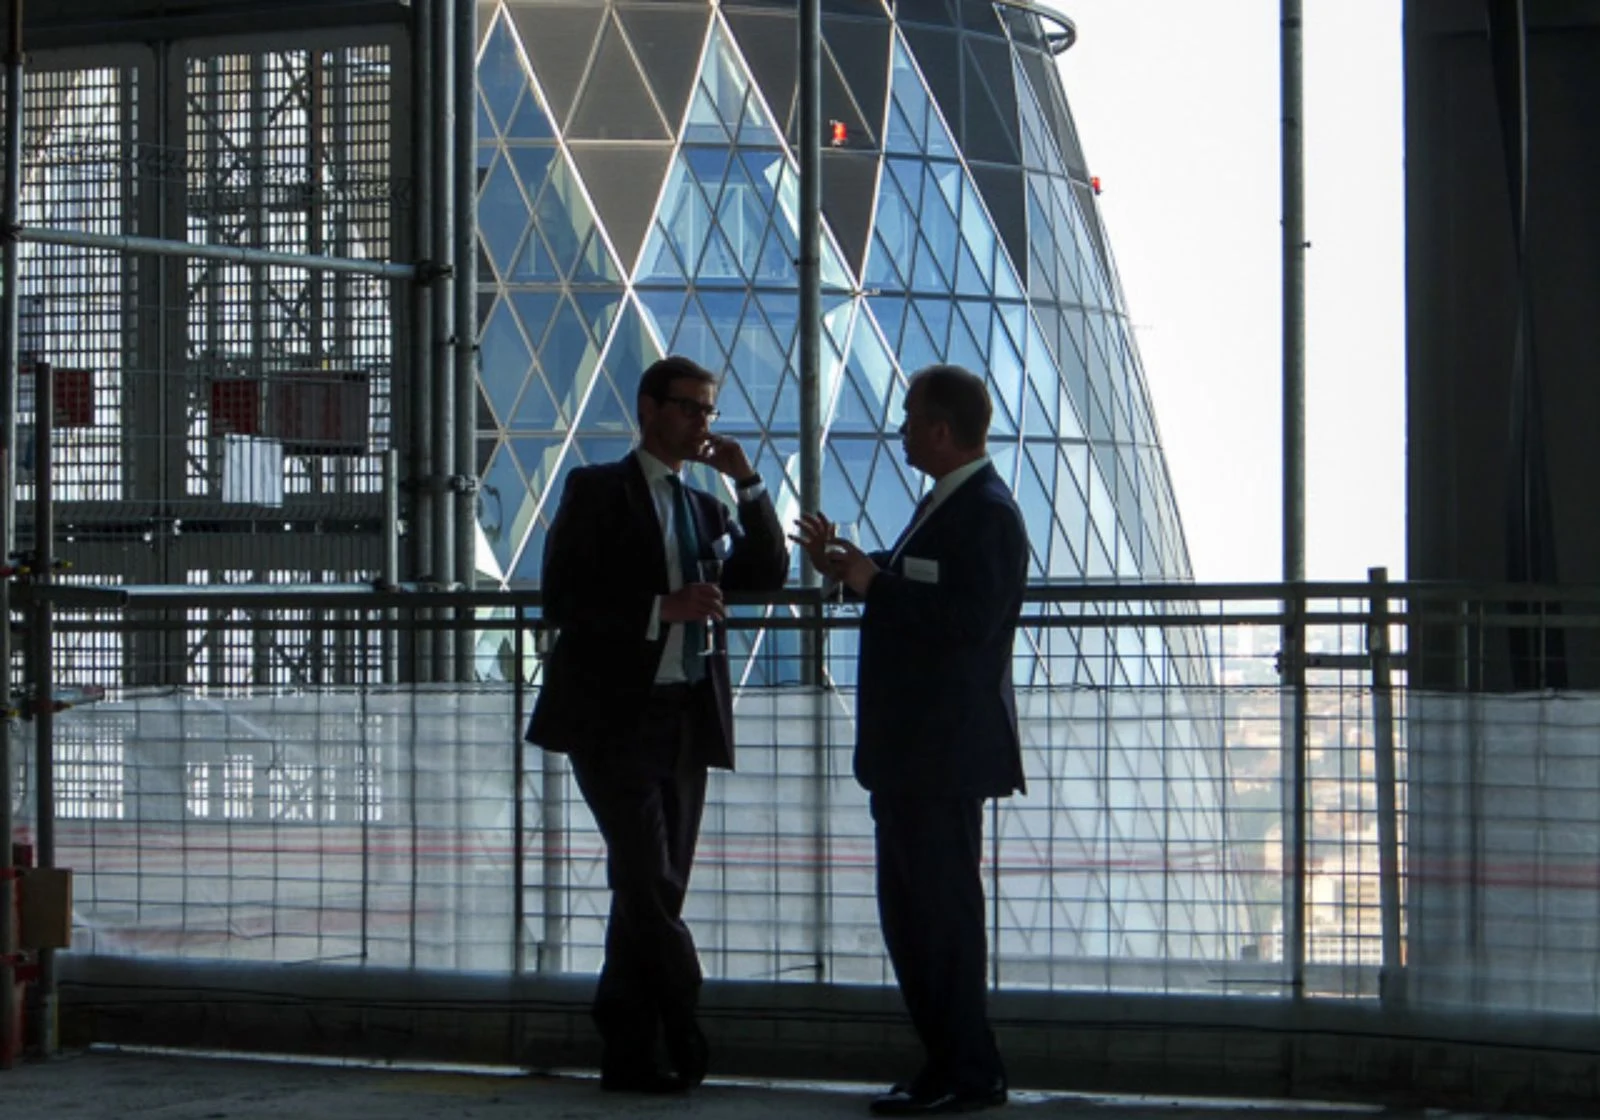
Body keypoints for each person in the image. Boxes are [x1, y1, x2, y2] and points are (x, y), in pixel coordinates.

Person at [526, 354, 788, 1094]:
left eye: (709, 411)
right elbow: (564, 597)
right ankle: (682, 1008)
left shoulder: (707, 508)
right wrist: (658, 609)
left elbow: (766, 574)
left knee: (654, 887)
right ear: (648, 408)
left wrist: (748, 480)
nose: (701, 422)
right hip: (611, 717)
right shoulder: (597, 489)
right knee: (645, 874)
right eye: (688, 407)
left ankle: (628, 1051)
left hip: (684, 718)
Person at [794, 365, 1028, 1116]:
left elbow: (967, 623)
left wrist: (874, 582)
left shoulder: (988, 514)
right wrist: (860, 568)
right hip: (913, 754)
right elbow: (922, 592)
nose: (898, 427)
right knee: (910, 912)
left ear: (940, 430)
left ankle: (972, 1070)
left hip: (944, 754)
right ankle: (944, 1060)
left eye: (908, 416)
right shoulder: (947, 506)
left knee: (942, 914)